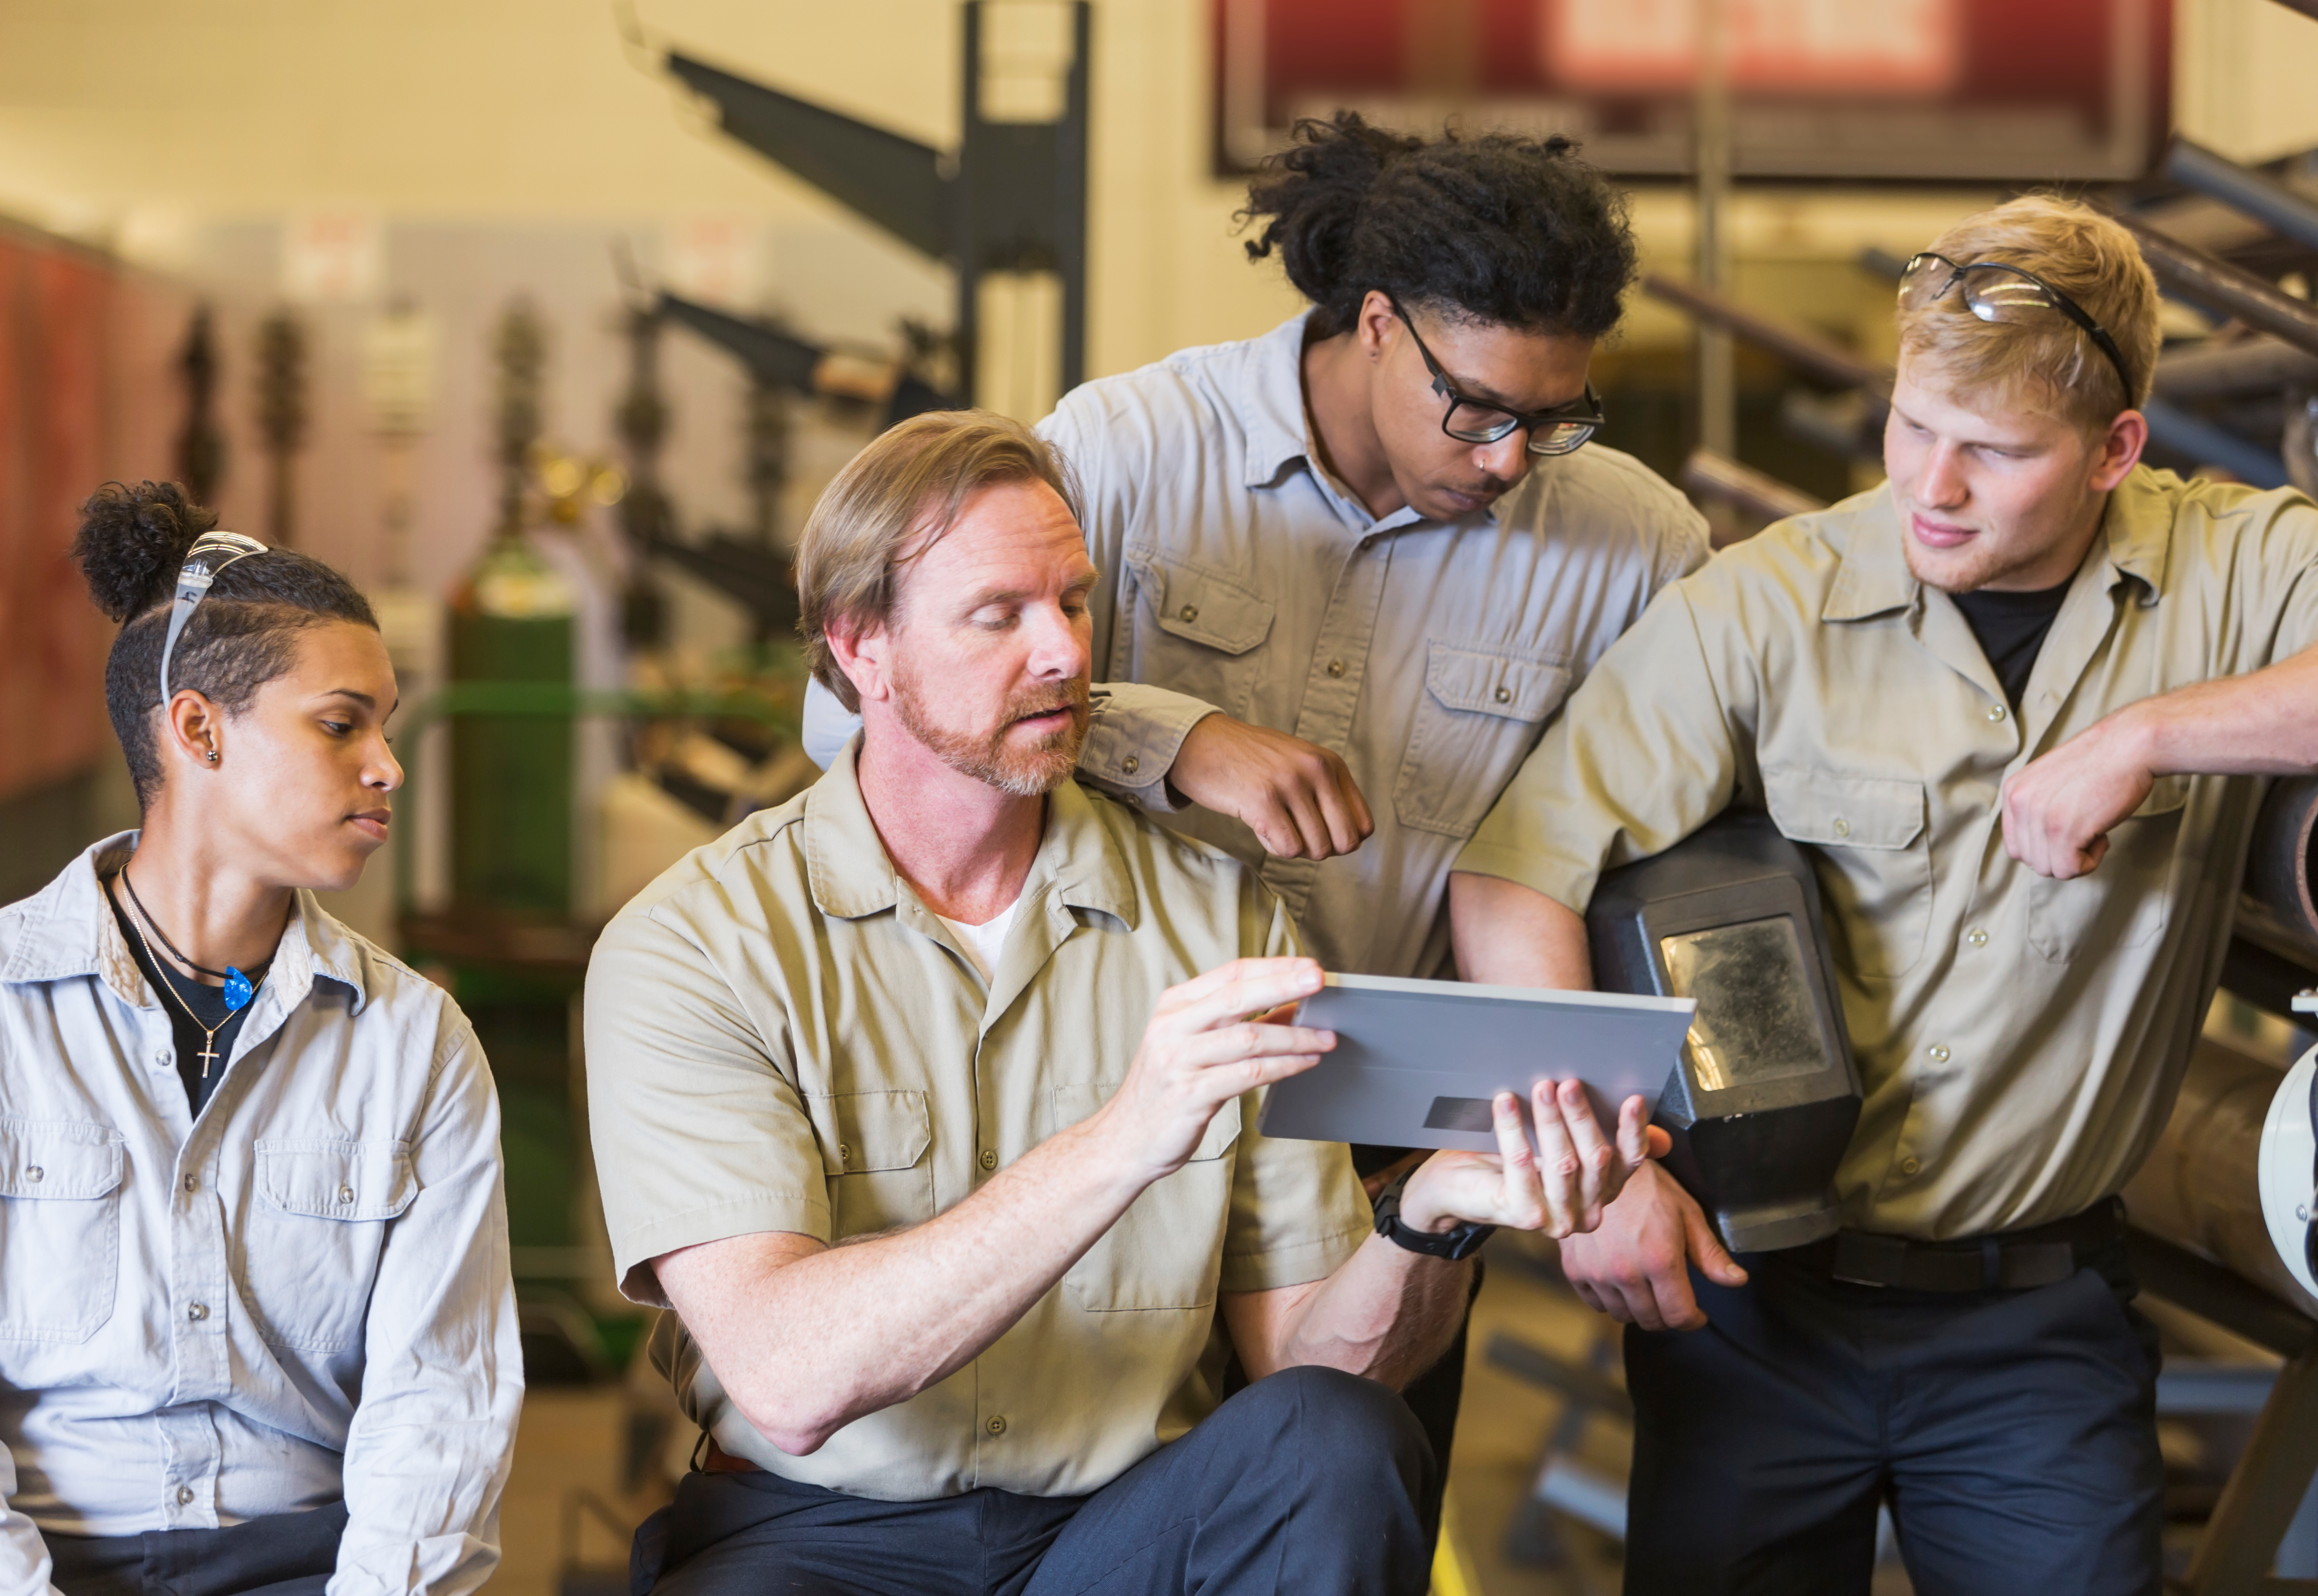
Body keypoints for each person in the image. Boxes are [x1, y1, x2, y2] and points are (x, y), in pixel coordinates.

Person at [1448, 194, 2318, 1594]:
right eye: (1911, 428)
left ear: (2114, 451)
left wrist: (2150, 735)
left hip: (2040, 1329)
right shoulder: (1765, 607)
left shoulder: (2231, 566)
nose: (1930, 490)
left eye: (1995, 453)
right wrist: (1598, 1177)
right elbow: (1516, 875)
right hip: (1754, 1305)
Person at [585, 411, 1656, 1596]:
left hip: (1122, 1532)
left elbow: (1306, 1364)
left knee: (1338, 1443)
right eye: (1000, 614)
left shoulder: (1217, 917)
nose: (1063, 652)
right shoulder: (698, 943)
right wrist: (1126, 1139)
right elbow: (787, 1382)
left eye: (1075, 602)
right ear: (862, 648)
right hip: (816, 1537)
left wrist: (1432, 1215)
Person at [802, 112, 1713, 1483]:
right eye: (1476, 409)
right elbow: (855, 722)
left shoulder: (1633, 548)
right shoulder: (1121, 450)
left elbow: (1637, 860)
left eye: (1556, 417)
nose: (1512, 459)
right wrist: (1168, 738)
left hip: (1383, 1170)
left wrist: (1605, 1125)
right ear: (1379, 324)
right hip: (1096, 1126)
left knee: (1343, 1520)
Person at [0, 483, 523, 1596]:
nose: (388, 764)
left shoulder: (414, 1043)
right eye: (343, 724)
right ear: (197, 730)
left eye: (387, 723)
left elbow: (442, 1404)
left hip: (317, 1568)